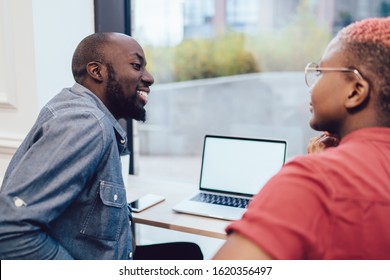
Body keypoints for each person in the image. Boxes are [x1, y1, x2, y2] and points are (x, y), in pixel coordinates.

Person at [0, 32, 202, 260]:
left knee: (188, 253)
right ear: (97, 71)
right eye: (136, 66)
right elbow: (10, 229)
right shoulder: (87, 124)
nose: (149, 77)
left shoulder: (73, 107)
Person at [213, 17, 390, 260]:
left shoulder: (312, 181)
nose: (311, 87)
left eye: (320, 72)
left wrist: (323, 171)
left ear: (355, 90)